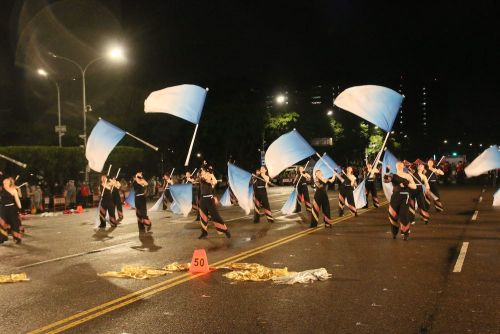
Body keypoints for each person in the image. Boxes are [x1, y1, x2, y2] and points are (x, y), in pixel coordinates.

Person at [384, 161, 417, 240]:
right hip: (395, 197)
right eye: (398, 165)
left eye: (401, 165)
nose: (399, 166)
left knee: (404, 216)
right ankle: (394, 233)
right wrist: (387, 171)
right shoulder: (392, 175)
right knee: (393, 216)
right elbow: (386, 180)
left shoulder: (408, 176)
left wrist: (407, 184)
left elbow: (414, 186)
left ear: (403, 166)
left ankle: (405, 233)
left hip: (405, 197)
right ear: (396, 166)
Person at [198, 166, 230, 239]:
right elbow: (205, 180)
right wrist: (209, 179)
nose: (201, 172)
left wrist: (211, 174)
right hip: (203, 200)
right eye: (201, 171)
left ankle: (225, 230)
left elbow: (215, 182)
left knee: (215, 216)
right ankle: (204, 232)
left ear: (206, 171)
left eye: (203, 170)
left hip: (209, 199)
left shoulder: (209, 176)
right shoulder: (201, 178)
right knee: (203, 217)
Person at [1, 176, 24, 244]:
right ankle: (2, 238)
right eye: (4, 182)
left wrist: (20, 207)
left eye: (6, 182)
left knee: (14, 224)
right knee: (2, 223)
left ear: (9, 183)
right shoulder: (1, 189)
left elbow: (17, 199)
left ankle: (17, 238)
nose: (4, 183)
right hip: (3, 209)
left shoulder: (13, 190)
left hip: (12, 209)